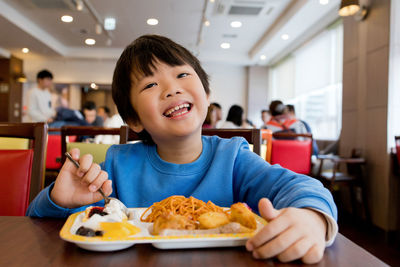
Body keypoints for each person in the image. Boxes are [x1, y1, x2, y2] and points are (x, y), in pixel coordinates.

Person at [26, 35, 337, 264]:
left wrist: (312, 218)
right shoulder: (118, 163)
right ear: (133, 118)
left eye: (182, 74)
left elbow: (299, 186)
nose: (172, 88)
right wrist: (59, 201)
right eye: (150, 85)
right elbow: (42, 222)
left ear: (206, 91)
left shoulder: (234, 157)